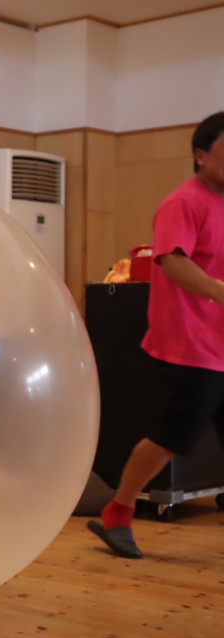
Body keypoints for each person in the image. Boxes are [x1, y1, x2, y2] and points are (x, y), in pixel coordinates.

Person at [88, 111, 224, 559]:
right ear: (201, 155)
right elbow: (172, 260)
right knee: (174, 435)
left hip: (220, 343)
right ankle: (118, 512)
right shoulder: (183, 202)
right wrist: (220, 292)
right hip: (190, 344)